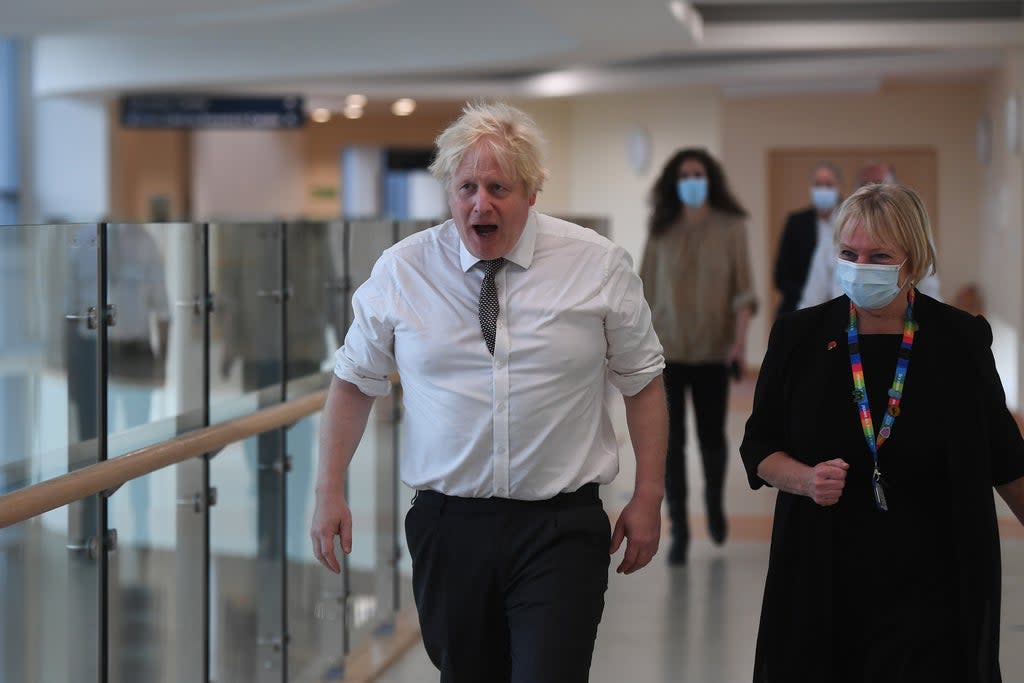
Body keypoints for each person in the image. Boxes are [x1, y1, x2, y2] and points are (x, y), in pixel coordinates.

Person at [310, 101, 667, 683]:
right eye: (467, 187)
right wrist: (328, 490)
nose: (482, 203)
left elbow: (643, 380)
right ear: (448, 193)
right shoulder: (403, 271)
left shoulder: (596, 265)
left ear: (532, 191)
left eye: (499, 187)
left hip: (561, 526)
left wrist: (649, 494)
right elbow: (354, 383)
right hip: (449, 527)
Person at [740, 182, 1024, 682]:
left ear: (913, 261)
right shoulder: (799, 337)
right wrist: (805, 480)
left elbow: (1005, 457)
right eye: (849, 253)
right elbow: (759, 446)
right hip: (823, 574)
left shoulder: (959, 339)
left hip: (934, 578)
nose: (861, 266)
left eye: (879, 255)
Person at [639, 147, 757, 565]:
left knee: (711, 439)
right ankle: (680, 530)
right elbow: (643, 292)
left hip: (712, 352)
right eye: (686, 174)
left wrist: (739, 343)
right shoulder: (660, 230)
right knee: (671, 445)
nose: (693, 180)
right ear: (675, 180)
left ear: (710, 180)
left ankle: (713, 504)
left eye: (699, 173)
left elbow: (744, 293)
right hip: (667, 351)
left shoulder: (731, 228)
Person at [798, 161, 941, 309]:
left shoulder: (910, 233)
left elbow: (929, 290)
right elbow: (813, 294)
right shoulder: (839, 230)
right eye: (849, 253)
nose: (873, 193)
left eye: (880, 255)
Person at [772, 162, 842, 317]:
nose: (823, 190)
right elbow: (781, 275)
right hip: (802, 306)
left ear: (839, 187)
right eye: (818, 184)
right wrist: (809, 297)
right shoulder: (796, 222)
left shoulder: (850, 220)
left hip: (843, 306)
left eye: (829, 184)